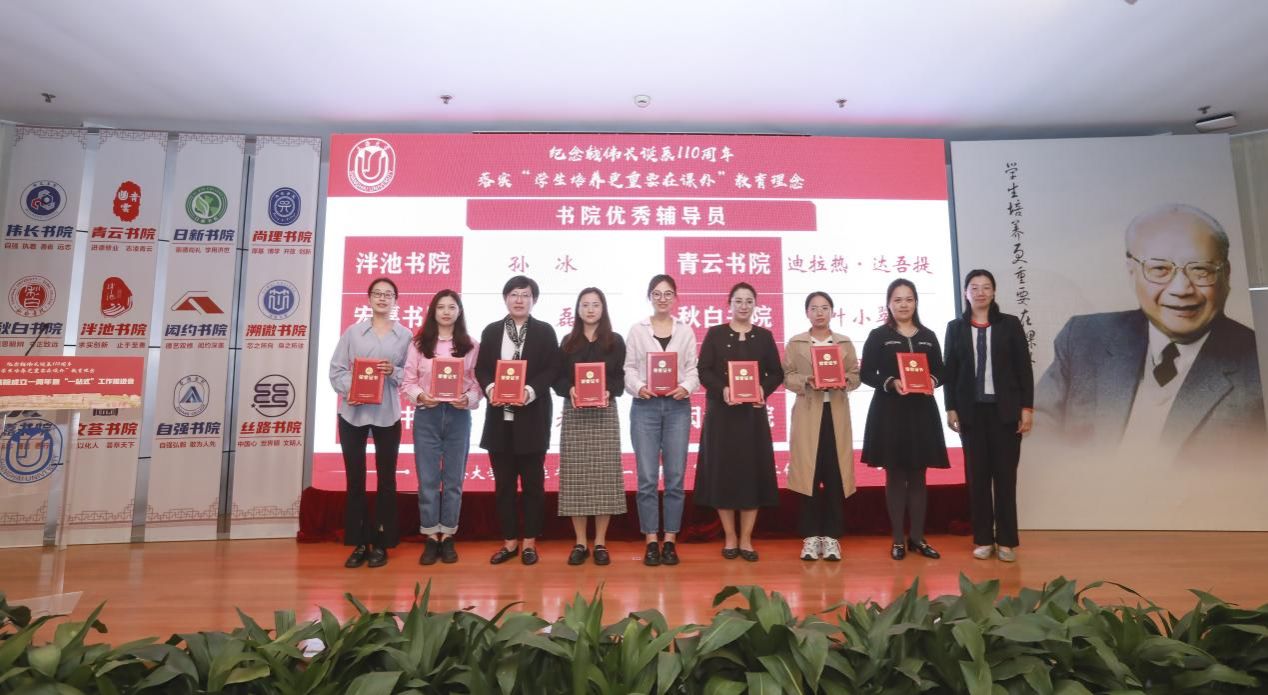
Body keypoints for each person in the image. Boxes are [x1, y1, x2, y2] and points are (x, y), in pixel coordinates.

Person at [1034, 204, 1264, 458]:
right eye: (1160, 269)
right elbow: (1037, 433)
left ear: (1226, 275)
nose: (1181, 289)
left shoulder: (1258, 363)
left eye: (1201, 269)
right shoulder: (1084, 337)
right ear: (1131, 272)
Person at [943, 270, 1033, 563]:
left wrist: (1027, 408)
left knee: (1005, 479)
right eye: (974, 287)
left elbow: (1023, 369)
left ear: (994, 292)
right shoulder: (955, 328)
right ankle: (983, 539)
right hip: (971, 414)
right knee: (978, 479)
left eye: (986, 287)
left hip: (1005, 413)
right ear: (965, 293)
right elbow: (950, 372)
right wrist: (951, 407)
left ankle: (1006, 541)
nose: (980, 292)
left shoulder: (1010, 324)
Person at [694, 282, 784, 562]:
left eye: (749, 301)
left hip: (751, 417)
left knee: (751, 475)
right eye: (738, 301)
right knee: (724, 474)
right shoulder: (716, 334)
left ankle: (746, 538)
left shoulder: (764, 337)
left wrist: (762, 390)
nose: (743, 306)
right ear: (729, 304)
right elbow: (703, 370)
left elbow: (776, 373)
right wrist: (723, 389)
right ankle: (730, 536)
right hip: (722, 416)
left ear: (755, 305)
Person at [860, 278, 949, 561]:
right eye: (897, 300)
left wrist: (933, 379)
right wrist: (890, 382)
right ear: (888, 304)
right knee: (896, 475)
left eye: (909, 299)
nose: (903, 305)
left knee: (919, 476)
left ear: (916, 302)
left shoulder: (928, 336)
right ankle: (898, 539)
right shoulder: (878, 335)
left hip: (921, 413)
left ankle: (918, 539)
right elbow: (866, 373)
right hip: (889, 413)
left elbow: (942, 370)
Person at [475, 276, 560, 566]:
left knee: (533, 485)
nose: (519, 300)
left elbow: (552, 369)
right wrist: (491, 389)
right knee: (504, 486)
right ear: (505, 299)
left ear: (534, 300)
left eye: (525, 295)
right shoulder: (492, 331)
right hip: (500, 421)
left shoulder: (545, 331)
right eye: (514, 294)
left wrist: (530, 391)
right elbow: (482, 369)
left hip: (532, 419)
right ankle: (510, 542)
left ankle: (530, 543)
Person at [328, 277, 411, 569]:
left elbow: (410, 375)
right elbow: (336, 370)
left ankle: (382, 542)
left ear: (395, 300)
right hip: (354, 414)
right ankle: (359, 542)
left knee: (387, 480)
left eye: (388, 294)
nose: (382, 298)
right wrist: (353, 389)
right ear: (369, 299)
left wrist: (393, 372)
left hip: (387, 414)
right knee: (356, 480)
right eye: (377, 293)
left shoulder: (405, 336)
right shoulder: (353, 333)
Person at [401, 290, 482, 565]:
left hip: (458, 416)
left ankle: (447, 535)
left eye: (452, 307)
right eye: (441, 307)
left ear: (459, 312)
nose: (446, 312)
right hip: (428, 415)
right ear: (433, 311)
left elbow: (477, 384)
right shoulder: (419, 344)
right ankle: (430, 535)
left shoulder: (470, 345)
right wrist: (421, 397)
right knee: (428, 480)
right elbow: (408, 381)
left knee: (453, 480)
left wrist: (467, 399)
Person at [624, 274, 699, 567]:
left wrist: (686, 387)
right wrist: (639, 387)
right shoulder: (637, 330)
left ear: (676, 297)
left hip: (678, 407)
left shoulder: (685, 331)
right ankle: (651, 541)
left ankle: (670, 540)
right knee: (646, 478)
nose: (663, 298)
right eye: (657, 293)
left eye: (668, 294)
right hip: (645, 407)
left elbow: (693, 369)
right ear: (650, 297)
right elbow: (629, 368)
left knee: (675, 477)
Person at [782, 291, 860, 562]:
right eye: (814, 308)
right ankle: (810, 537)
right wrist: (807, 380)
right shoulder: (796, 343)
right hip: (808, 415)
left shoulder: (844, 342)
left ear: (832, 312)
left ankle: (832, 537)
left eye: (824, 307)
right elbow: (787, 377)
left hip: (835, 414)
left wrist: (845, 380)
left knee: (835, 474)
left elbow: (855, 375)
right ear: (807, 313)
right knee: (810, 476)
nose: (819, 313)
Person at [553, 288, 627, 566]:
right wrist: (570, 389)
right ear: (578, 309)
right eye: (585, 305)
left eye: (595, 304)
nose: (590, 309)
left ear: (603, 308)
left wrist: (609, 391)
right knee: (576, 478)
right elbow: (557, 378)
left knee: (604, 478)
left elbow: (620, 378)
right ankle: (581, 542)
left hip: (604, 414)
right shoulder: (568, 341)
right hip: (575, 414)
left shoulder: (615, 341)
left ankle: (600, 543)